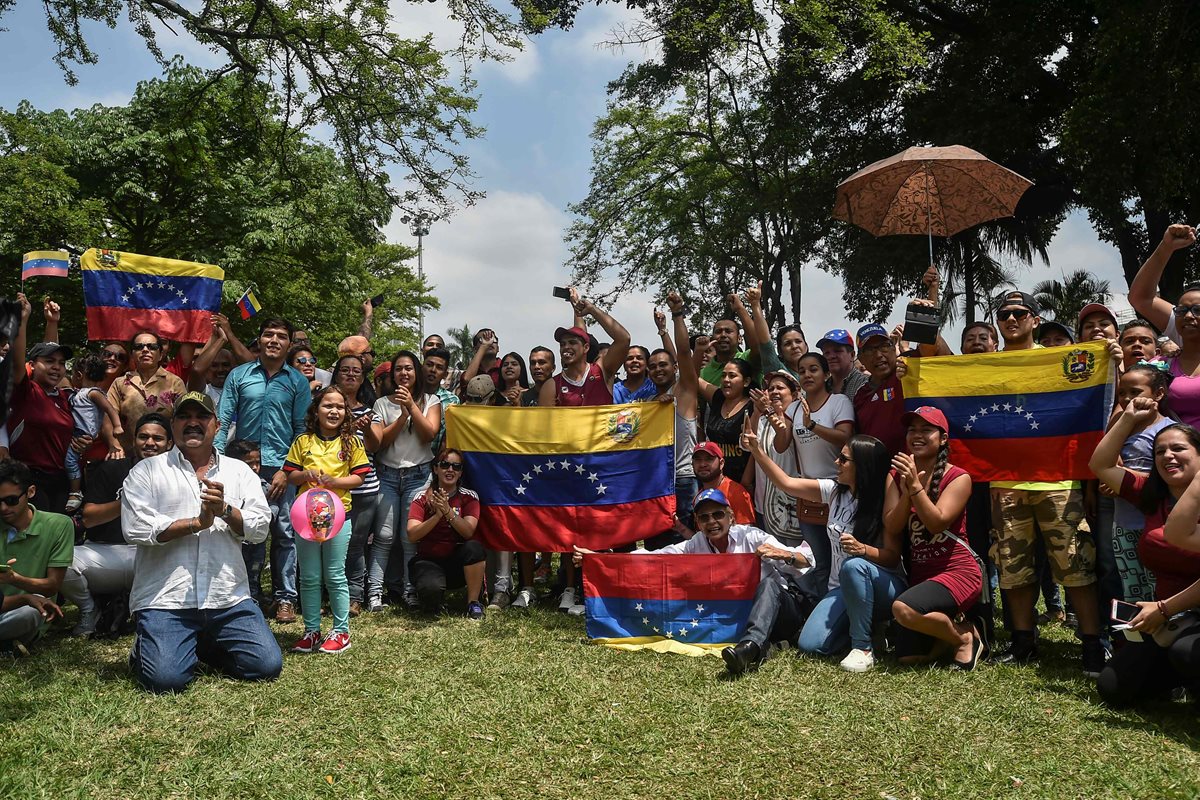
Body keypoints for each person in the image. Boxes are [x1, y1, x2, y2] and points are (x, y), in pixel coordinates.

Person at [121, 391, 279, 693]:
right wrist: (197, 523)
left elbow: (260, 528)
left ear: (216, 425)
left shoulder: (240, 471)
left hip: (227, 598)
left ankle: (197, 644)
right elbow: (136, 529)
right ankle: (148, 648)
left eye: (201, 417)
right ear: (173, 425)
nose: (193, 423)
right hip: (167, 599)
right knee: (165, 681)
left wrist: (225, 511)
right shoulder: (147, 471)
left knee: (265, 666)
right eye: (184, 417)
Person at [575, 488, 813, 677]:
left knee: (768, 586)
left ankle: (750, 647)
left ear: (731, 516)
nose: (712, 522)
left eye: (718, 514)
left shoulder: (753, 537)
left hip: (783, 612)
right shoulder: (695, 545)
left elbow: (807, 561)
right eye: (704, 517)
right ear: (698, 523)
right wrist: (599, 558)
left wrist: (784, 554)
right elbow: (655, 558)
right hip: (738, 619)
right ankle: (762, 646)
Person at [991, 291, 1105, 674]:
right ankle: (1023, 642)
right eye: (1004, 314)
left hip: (1057, 479)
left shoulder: (1060, 359)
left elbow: (1092, 400)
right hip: (1006, 482)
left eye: (1019, 313)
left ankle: (1091, 644)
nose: (1011, 319)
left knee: (1075, 563)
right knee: (1013, 565)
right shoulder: (985, 366)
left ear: (1034, 319)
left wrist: (1113, 360)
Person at [743, 423, 902, 673]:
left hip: (882, 585)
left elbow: (893, 559)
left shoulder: (883, 499)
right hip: (840, 589)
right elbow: (786, 483)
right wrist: (756, 450)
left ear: (863, 467)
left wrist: (863, 550)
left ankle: (863, 648)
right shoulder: (835, 492)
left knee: (854, 566)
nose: (837, 462)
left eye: (844, 459)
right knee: (810, 644)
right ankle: (868, 629)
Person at [1090, 400, 1200, 705]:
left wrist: (1163, 608)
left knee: (1185, 652)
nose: (1167, 456)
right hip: (1169, 620)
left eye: (1178, 448)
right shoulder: (1152, 494)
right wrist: (1127, 419)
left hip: (1174, 613)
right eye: (1159, 451)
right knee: (1113, 687)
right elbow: (1100, 465)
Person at [539, 289, 631, 614]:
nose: (565, 348)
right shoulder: (552, 385)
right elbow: (544, 431)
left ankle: (596, 588)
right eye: (562, 344)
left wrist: (588, 307)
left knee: (601, 527)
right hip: (569, 466)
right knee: (569, 528)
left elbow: (623, 337)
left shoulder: (601, 371)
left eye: (572, 343)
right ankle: (568, 588)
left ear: (586, 348)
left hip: (604, 464)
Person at [216, 317, 311, 624]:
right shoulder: (239, 375)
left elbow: (301, 430)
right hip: (242, 468)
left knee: (284, 534)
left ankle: (285, 598)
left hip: (281, 469)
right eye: (268, 334)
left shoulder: (297, 381)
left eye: (281, 336)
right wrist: (216, 462)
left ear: (289, 343)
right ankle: (251, 595)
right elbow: (222, 421)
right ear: (259, 340)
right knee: (247, 533)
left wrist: (288, 470)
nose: (274, 340)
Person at [886, 407, 983, 670]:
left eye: (926, 430)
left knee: (903, 609)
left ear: (942, 439)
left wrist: (916, 488)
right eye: (912, 430)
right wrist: (907, 491)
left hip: (958, 571)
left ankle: (963, 637)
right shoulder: (896, 475)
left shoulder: (959, 477)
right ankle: (949, 635)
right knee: (909, 658)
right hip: (922, 575)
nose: (917, 435)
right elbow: (892, 526)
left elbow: (937, 523)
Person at [62, 413, 172, 637]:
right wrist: (128, 501)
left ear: (169, 444)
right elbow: (89, 518)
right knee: (62, 561)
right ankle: (89, 610)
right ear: (134, 440)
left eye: (157, 439)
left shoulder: (178, 475)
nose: (150, 443)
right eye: (143, 437)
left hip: (154, 556)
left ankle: (150, 611)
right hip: (107, 552)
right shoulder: (112, 469)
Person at [284, 386, 370, 654]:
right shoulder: (303, 441)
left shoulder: (353, 442)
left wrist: (335, 482)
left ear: (346, 413)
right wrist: (305, 474)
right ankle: (311, 631)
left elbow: (359, 477)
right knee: (309, 576)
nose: (334, 411)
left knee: (334, 574)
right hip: (306, 521)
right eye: (327, 406)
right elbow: (290, 475)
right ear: (316, 410)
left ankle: (341, 632)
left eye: (340, 407)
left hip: (338, 520)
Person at [371, 350, 442, 608]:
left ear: (417, 373)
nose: (404, 373)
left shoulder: (431, 401)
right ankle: (375, 594)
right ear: (393, 374)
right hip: (387, 475)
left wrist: (412, 406)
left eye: (409, 368)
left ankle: (410, 592)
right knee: (384, 536)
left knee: (409, 537)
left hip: (418, 475)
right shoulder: (381, 404)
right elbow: (380, 443)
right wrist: (402, 415)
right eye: (399, 369)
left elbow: (429, 435)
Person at [787, 353, 855, 593]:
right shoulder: (793, 408)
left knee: (843, 560)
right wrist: (775, 419)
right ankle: (821, 613)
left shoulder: (839, 402)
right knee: (819, 562)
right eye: (802, 370)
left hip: (839, 491)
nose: (807, 374)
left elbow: (845, 437)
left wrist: (812, 425)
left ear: (826, 374)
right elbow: (780, 445)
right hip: (809, 496)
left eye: (813, 369)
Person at [1108, 365, 1174, 604]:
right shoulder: (1119, 430)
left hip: (1157, 527)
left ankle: (1168, 637)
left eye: (1135, 392)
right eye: (1122, 393)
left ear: (1158, 394)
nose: (1127, 399)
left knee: (1160, 587)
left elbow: (1169, 478)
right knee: (1133, 588)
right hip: (1124, 525)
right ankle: (1139, 639)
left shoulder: (1168, 431)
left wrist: (1122, 477)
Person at [8, 293, 75, 514]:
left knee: (58, 536)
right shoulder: (25, 391)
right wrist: (22, 319)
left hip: (60, 481)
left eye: (62, 363)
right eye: (49, 362)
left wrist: (52, 322)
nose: (57, 367)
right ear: (32, 365)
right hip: (28, 480)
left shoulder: (64, 397)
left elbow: (49, 350)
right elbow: (17, 360)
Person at [0, 459, 73, 655]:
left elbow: (52, 585)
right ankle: (7, 646)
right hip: (10, 606)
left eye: (11, 500)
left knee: (33, 610)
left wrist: (16, 580)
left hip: (22, 612)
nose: (3, 508)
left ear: (30, 492)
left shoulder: (59, 525)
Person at [407, 449, 485, 618]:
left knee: (475, 548)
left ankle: (473, 603)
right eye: (445, 465)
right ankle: (433, 599)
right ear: (435, 469)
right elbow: (412, 535)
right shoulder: (421, 497)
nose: (450, 470)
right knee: (430, 593)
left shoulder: (470, 497)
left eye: (456, 466)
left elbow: (468, 532)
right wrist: (437, 516)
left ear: (461, 472)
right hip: (428, 560)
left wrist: (448, 511)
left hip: (458, 562)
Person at [332, 354, 382, 615]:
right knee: (330, 543)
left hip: (364, 489)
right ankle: (330, 594)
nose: (351, 375)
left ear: (363, 379)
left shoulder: (371, 410)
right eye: (345, 370)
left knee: (356, 544)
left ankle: (354, 596)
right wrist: (349, 427)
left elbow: (375, 446)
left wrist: (367, 428)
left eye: (356, 372)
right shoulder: (327, 407)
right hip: (331, 488)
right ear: (337, 374)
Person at [746, 371, 805, 547]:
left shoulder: (799, 418)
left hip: (791, 506)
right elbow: (747, 443)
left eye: (780, 387)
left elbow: (782, 445)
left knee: (796, 561)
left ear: (794, 394)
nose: (774, 392)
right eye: (770, 388)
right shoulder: (763, 419)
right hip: (763, 503)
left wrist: (770, 411)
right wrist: (757, 412)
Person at [108, 330, 188, 452]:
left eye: (152, 347)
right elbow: (107, 416)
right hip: (128, 454)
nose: (145, 350)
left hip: (165, 457)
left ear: (161, 354)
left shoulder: (175, 382)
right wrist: (114, 445)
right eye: (139, 347)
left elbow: (184, 418)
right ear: (132, 354)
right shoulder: (119, 383)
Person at [65, 352, 125, 512]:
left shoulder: (93, 392)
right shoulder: (80, 393)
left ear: (78, 374)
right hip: (78, 432)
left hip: (83, 432)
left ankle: (75, 492)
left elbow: (109, 409)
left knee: (70, 461)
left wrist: (117, 426)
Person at [1127, 223, 1196, 346]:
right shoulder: (1186, 329)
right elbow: (1141, 298)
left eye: (1198, 310)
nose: (1189, 316)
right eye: (1181, 310)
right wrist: (1166, 247)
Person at [224, 439, 271, 609]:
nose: (254, 468)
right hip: (236, 540)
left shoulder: (264, 485)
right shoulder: (229, 485)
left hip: (256, 541)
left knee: (255, 570)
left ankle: (255, 599)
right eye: (249, 463)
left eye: (257, 463)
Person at [852, 323, 907, 457]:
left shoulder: (905, 376)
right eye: (869, 350)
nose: (878, 355)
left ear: (894, 348)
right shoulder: (860, 396)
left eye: (883, 346)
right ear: (861, 359)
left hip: (908, 468)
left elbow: (935, 351)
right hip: (874, 472)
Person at [697, 355, 755, 481]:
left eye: (732, 376)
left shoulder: (754, 407)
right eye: (723, 375)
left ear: (746, 381)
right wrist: (698, 351)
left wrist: (747, 482)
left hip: (744, 483)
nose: (726, 380)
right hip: (715, 481)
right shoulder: (717, 398)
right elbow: (691, 378)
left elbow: (755, 452)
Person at [692, 442, 755, 524]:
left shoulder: (735, 492)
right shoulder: (698, 497)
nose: (703, 464)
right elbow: (702, 536)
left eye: (709, 459)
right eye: (698, 460)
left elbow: (747, 533)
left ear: (721, 463)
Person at [422, 347, 459, 457]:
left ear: (445, 374)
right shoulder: (410, 396)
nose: (433, 370)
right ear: (422, 367)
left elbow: (449, 437)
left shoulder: (452, 401)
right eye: (429, 365)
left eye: (439, 367)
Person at [817, 329, 868, 399]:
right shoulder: (821, 389)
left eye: (837, 351)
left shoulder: (865, 384)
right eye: (826, 353)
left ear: (852, 355)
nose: (831, 356)